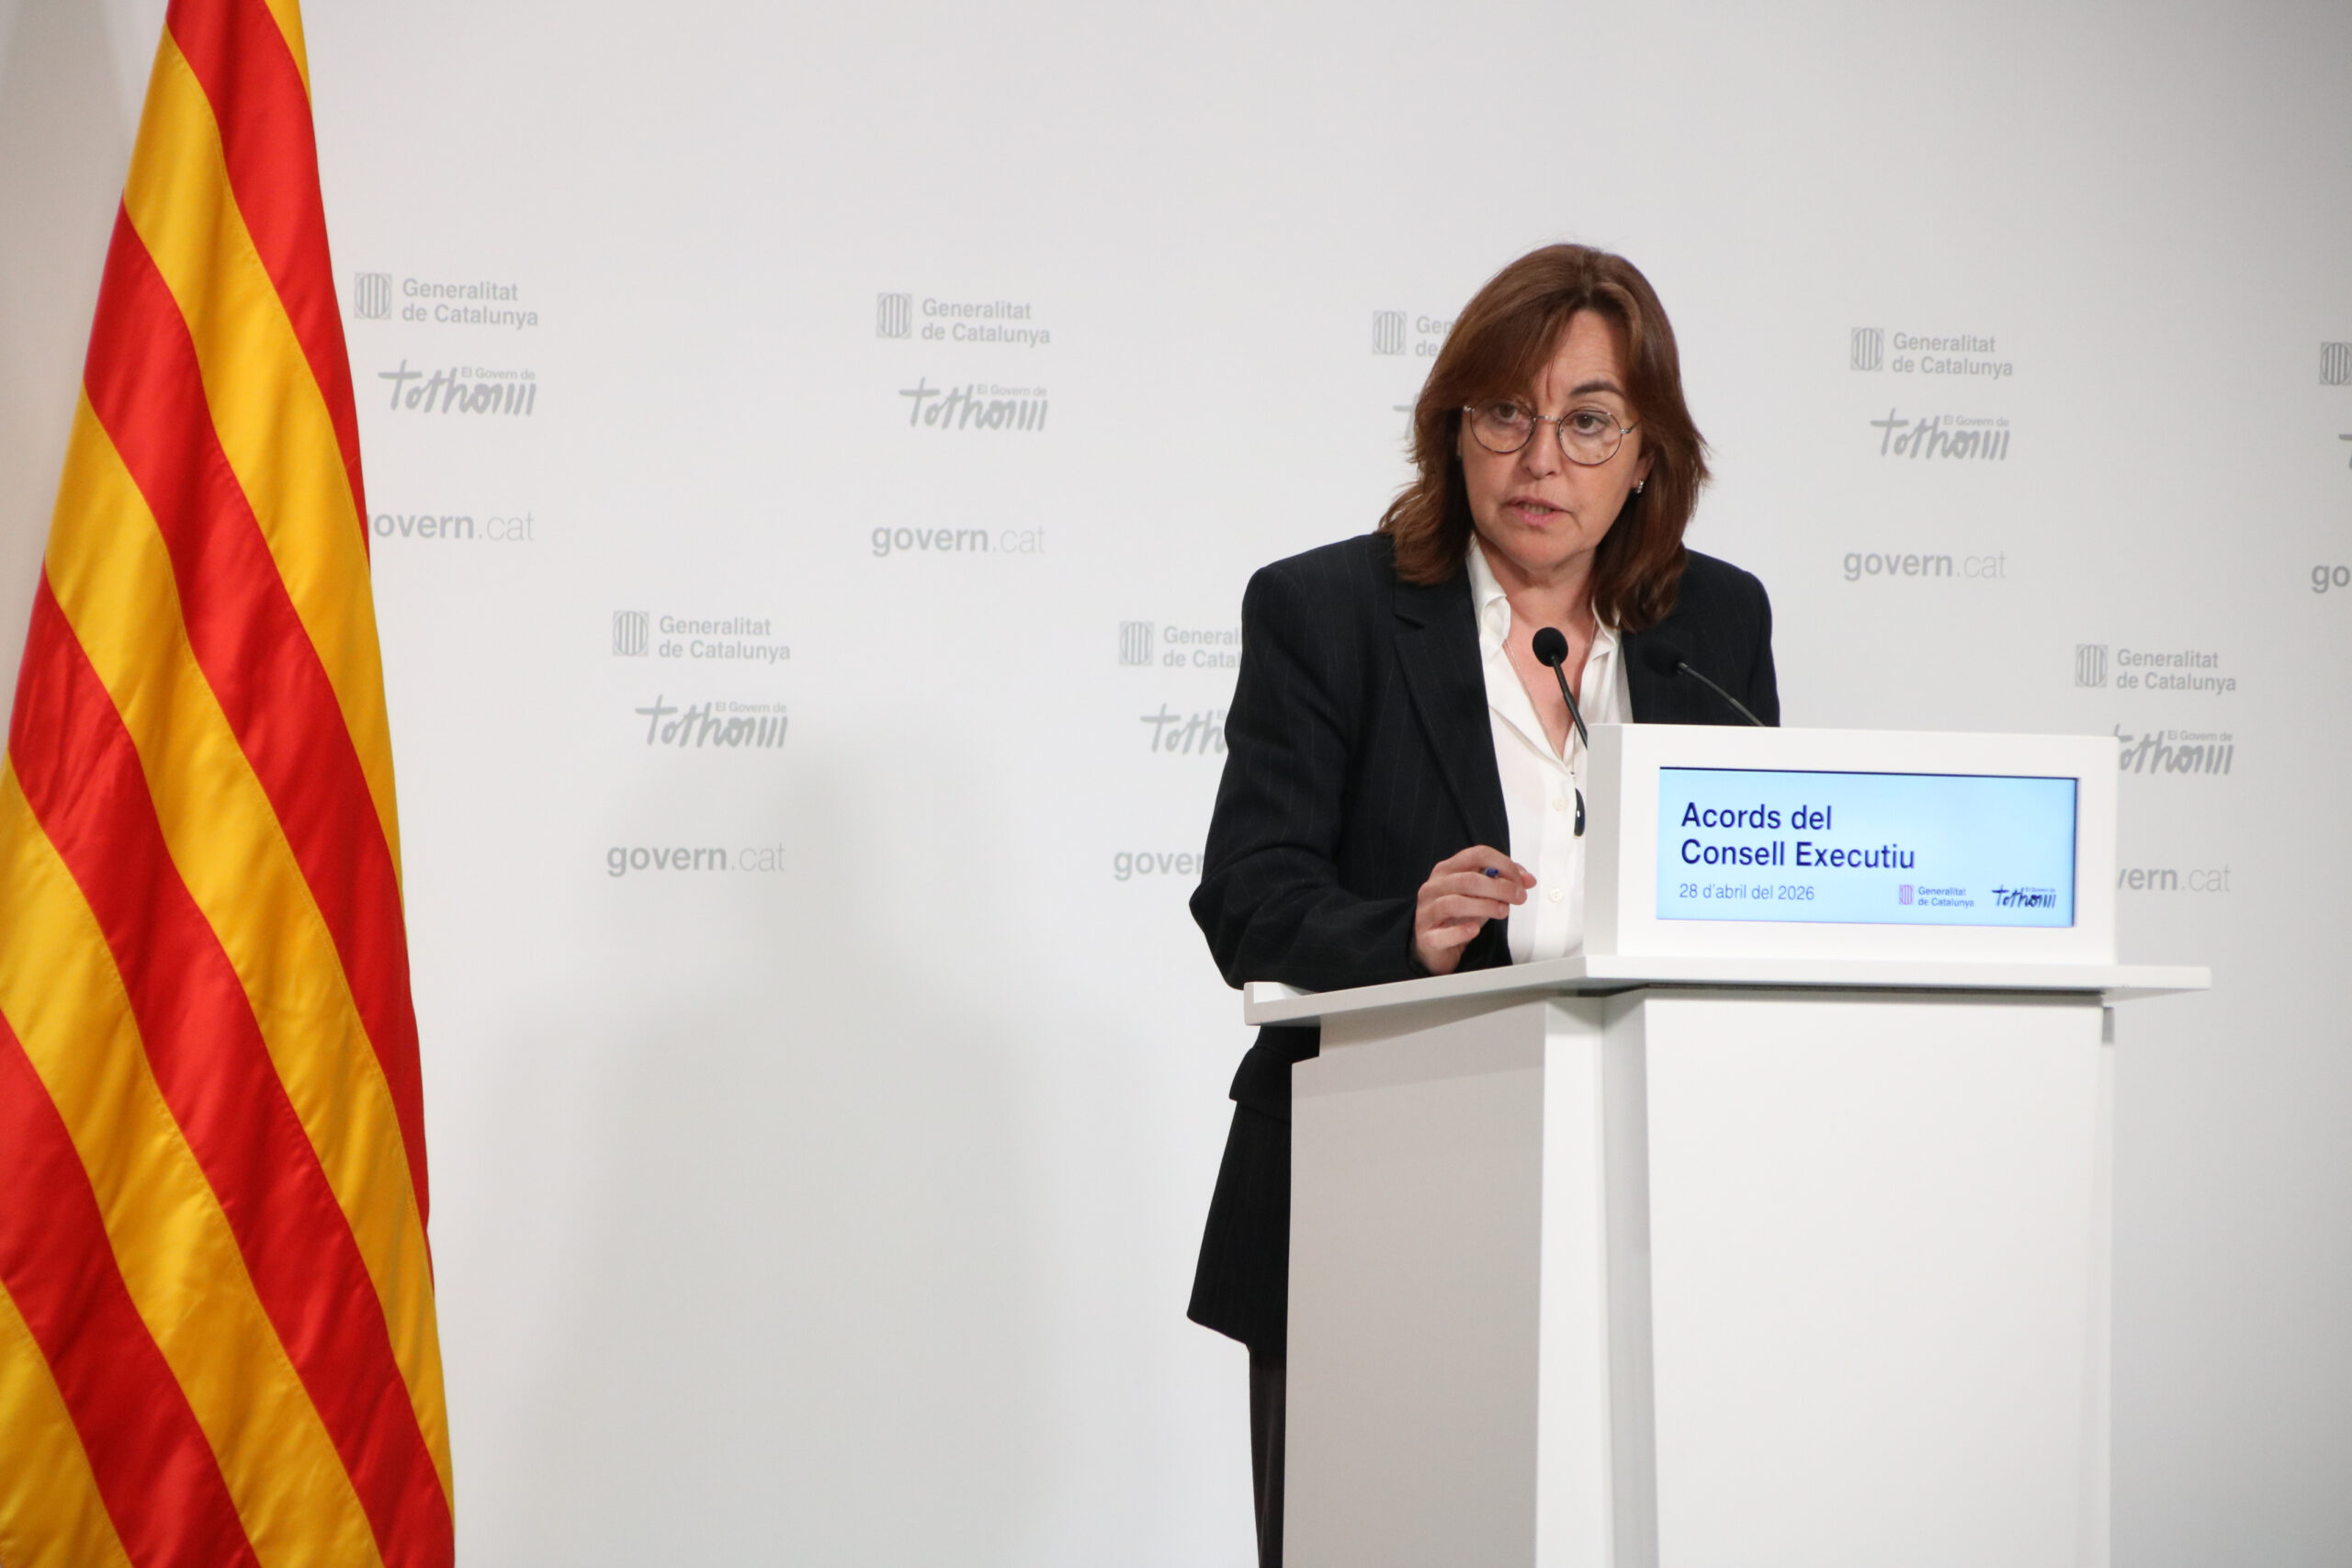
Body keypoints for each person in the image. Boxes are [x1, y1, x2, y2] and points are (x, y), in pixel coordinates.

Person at [1185, 243, 1779, 1566]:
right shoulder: (1327, 611)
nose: (1540, 459)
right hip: (1374, 1196)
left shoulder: (1715, 625)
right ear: (1451, 431)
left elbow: (1752, 894)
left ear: (1648, 453)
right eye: (1505, 413)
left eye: (1588, 421)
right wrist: (1402, 929)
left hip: (1654, 1204)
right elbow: (1249, 896)